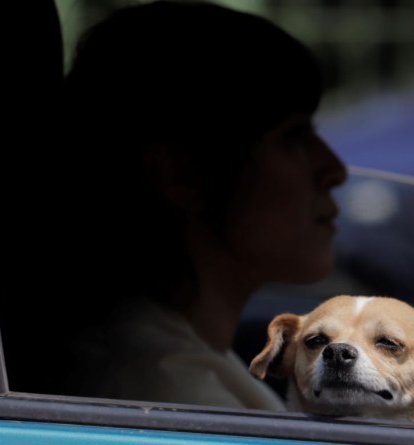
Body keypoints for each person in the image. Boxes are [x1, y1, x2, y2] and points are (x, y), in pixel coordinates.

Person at [53, 0, 347, 409]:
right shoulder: (163, 389)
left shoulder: (171, 355)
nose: (334, 170)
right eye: (293, 137)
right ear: (180, 173)